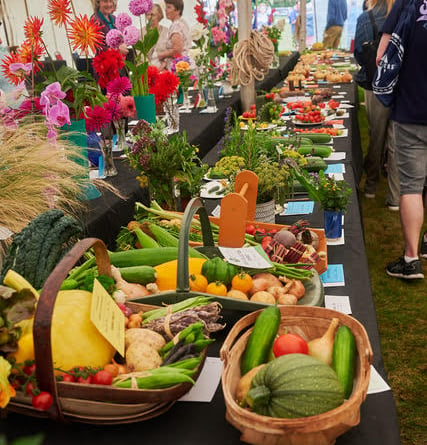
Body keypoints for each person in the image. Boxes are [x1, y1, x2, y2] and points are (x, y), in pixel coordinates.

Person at [376, 0, 427, 279]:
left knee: (411, 186)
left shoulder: (406, 2)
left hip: (411, 109)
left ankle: (411, 259)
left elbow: (382, 56)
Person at [353, 0, 399, 210]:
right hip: (402, 85)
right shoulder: (406, 16)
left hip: (375, 84)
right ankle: (395, 196)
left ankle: (371, 186)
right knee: (397, 140)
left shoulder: (366, 17)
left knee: (376, 136)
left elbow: (360, 55)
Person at [157, 0, 191, 71]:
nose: (165, 10)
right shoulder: (182, 22)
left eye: (169, 7)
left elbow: (177, 50)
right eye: (166, 7)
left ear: (178, 10)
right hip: (185, 65)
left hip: (179, 68)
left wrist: (162, 55)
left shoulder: (176, 25)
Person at [143, 2, 169, 70]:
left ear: (159, 15)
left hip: (164, 68)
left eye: (152, 15)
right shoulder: (141, 32)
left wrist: (164, 64)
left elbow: (171, 50)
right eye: (147, 15)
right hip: (146, 70)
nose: (149, 17)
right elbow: (140, 55)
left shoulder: (167, 31)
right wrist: (151, 68)